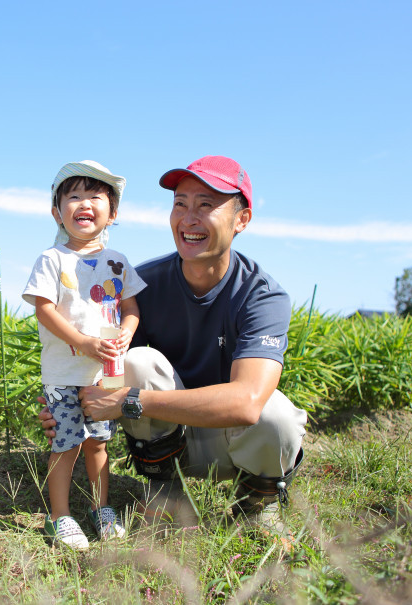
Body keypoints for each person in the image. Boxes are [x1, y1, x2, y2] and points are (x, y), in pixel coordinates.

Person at [40, 155, 307, 534]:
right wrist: (64, 403)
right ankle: (166, 490)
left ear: (241, 219)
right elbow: (104, 363)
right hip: (169, 441)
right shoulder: (141, 284)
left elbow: (247, 402)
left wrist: (129, 401)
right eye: (180, 204)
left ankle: (256, 503)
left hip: (235, 442)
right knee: (139, 360)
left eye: (206, 205)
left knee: (275, 414)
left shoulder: (261, 296)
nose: (189, 218)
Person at [22, 160, 146, 550]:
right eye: (73, 196)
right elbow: (44, 309)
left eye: (95, 196)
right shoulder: (51, 259)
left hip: (107, 370)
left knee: (99, 442)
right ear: (58, 212)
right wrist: (83, 341)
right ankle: (59, 516)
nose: (84, 203)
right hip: (63, 370)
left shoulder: (119, 261)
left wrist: (124, 335)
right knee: (65, 442)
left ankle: (101, 507)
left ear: (113, 214)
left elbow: (131, 309)